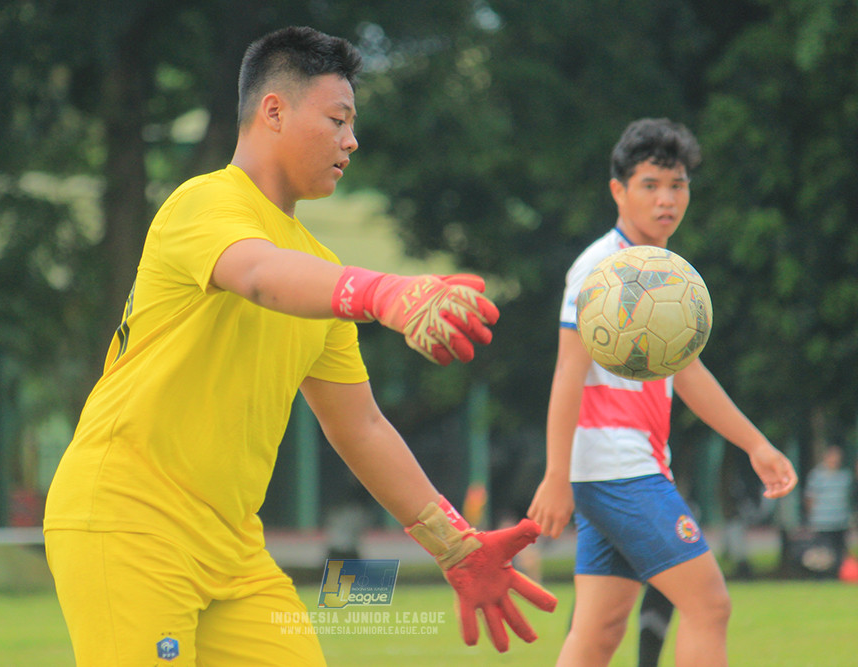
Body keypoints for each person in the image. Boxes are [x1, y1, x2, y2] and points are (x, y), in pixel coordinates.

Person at [43, 26, 555, 666]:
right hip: (128, 521)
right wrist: (381, 294)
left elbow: (362, 427)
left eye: (353, 124)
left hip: (232, 547)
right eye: (338, 119)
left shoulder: (319, 266)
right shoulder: (202, 203)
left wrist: (457, 544)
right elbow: (259, 276)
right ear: (274, 111)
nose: (352, 140)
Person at [527, 117, 798, 667]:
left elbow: (689, 374)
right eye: (650, 185)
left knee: (599, 630)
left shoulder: (661, 272)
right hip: (617, 469)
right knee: (710, 606)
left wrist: (756, 444)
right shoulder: (603, 269)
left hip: (624, 467)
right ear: (618, 191)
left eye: (677, 185)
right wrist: (557, 476)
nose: (666, 199)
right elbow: (567, 375)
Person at [803, 445, 853, 575]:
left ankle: (838, 574)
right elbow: (810, 498)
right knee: (823, 552)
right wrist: (812, 516)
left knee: (839, 550)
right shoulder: (816, 475)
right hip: (822, 520)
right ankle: (823, 575)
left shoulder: (845, 476)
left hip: (840, 520)